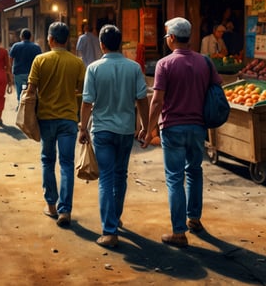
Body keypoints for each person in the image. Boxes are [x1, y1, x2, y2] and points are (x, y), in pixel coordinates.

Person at [142, 17, 221, 247]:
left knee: (175, 178)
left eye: (167, 36)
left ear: (173, 38)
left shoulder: (164, 64)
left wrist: (149, 130)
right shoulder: (205, 62)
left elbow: (157, 101)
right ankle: (194, 219)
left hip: (173, 129)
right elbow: (215, 89)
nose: (166, 39)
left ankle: (179, 232)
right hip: (198, 128)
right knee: (194, 172)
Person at [78, 24, 149, 248]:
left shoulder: (94, 68)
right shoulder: (134, 68)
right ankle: (115, 218)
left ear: (101, 45)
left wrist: (82, 128)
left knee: (107, 178)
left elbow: (87, 102)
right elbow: (142, 100)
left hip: (102, 131)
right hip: (126, 131)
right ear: (120, 44)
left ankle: (109, 230)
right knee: (120, 175)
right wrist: (146, 127)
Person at [27, 22, 85, 228]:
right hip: (69, 119)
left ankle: (51, 205)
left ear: (50, 39)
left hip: (46, 118)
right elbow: (81, 90)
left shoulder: (40, 60)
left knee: (47, 160)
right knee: (67, 164)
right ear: (67, 40)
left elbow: (31, 90)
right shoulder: (77, 63)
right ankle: (65, 210)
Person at [9, 28, 42, 102]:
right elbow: (40, 61)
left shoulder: (15, 46)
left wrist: (10, 72)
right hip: (32, 75)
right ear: (30, 37)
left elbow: (10, 60)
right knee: (32, 93)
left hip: (19, 74)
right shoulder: (36, 47)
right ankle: (31, 108)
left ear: (21, 37)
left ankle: (20, 105)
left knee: (20, 92)